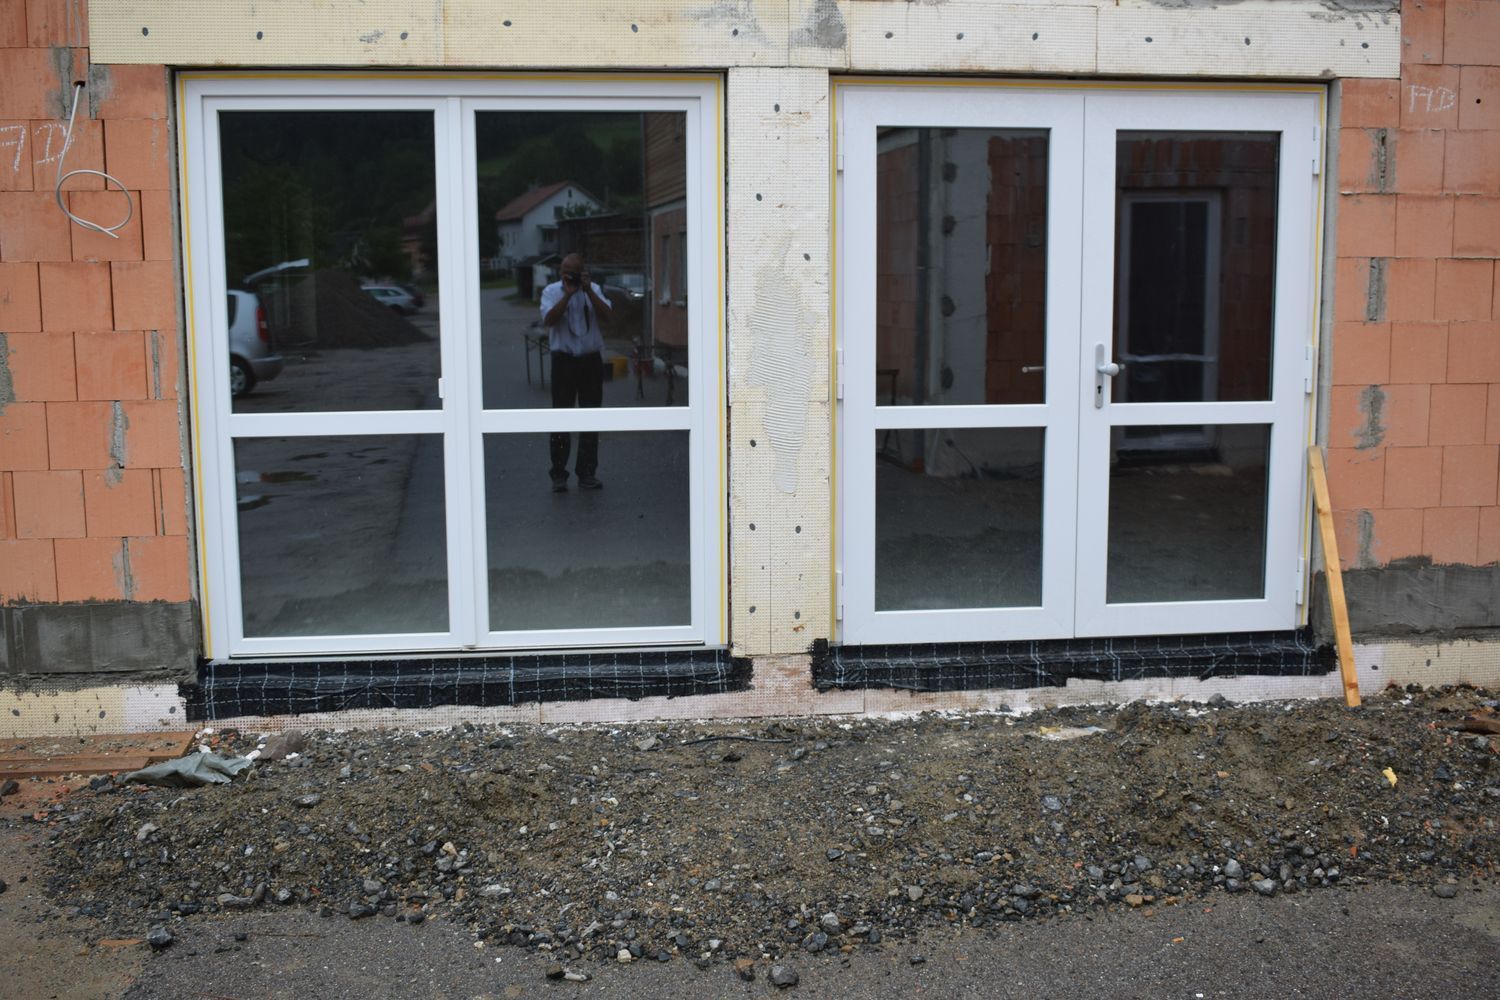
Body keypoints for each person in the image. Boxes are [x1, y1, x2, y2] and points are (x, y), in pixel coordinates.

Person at [539, 252, 613, 490]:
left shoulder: (594, 289)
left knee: (591, 417)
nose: (567, 276)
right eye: (564, 271)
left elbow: (608, 315)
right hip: (563, 361)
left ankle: (587, 473)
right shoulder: (552, 291)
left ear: (582, 272)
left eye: (572, 272)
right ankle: (559, 474)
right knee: (561, 417)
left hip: (590, 361)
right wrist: (568, 296)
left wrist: (588, 291)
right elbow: (549, 320)